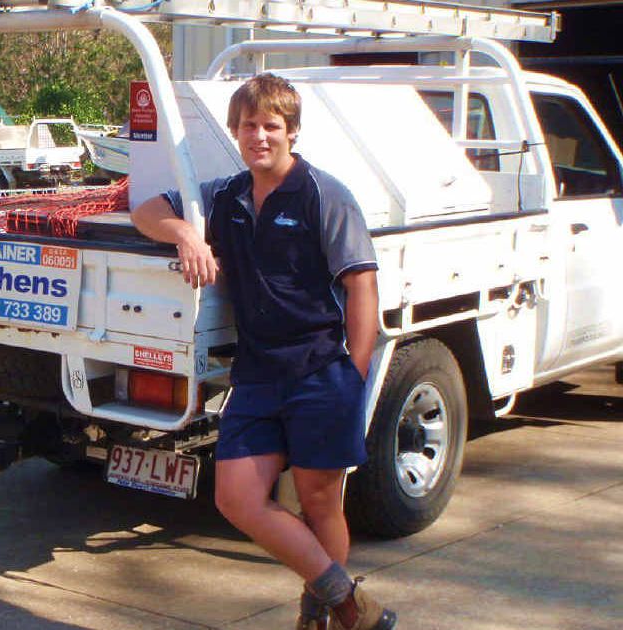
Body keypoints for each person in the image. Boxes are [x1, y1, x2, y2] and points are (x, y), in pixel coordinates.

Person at [131, 74, 395, 630]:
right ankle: (349, 603)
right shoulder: (224, 196)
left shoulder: (324, 193)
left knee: (319, 502)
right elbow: (145, 211)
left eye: (271, 125)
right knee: (236, 498)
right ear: (235, 131)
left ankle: (318, 614)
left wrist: (355, 372)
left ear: (291, 132)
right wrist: (187, 234)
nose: (259, 136)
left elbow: (362, 286)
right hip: (256, 375)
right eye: (249, 125)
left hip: (321, 371)